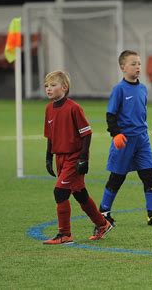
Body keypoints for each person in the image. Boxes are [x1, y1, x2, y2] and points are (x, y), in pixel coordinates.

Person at [99, 50, 152, 227]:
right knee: (117, 177)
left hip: (142, 140)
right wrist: (116, 134)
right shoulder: (119, 89)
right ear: (123, 67)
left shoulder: (143, 88)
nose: (138, 67)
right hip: (124, 141)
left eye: (139, 63)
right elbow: (110, 115)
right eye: (133, 64)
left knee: (149, 175)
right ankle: (103, 212)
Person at [43, 70, 113, 244]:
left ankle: (65, 235)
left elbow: (86, 134)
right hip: (60, 157)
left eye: (53, 85)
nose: (48, 89)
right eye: (46, 86)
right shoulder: (49, 109)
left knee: (60, 192)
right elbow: (50, 136)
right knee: (80, 194)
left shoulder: (74, 108)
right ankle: (102, 224)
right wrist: (48, 157)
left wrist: (83, 158)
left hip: (74, 158)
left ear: (64, 87)